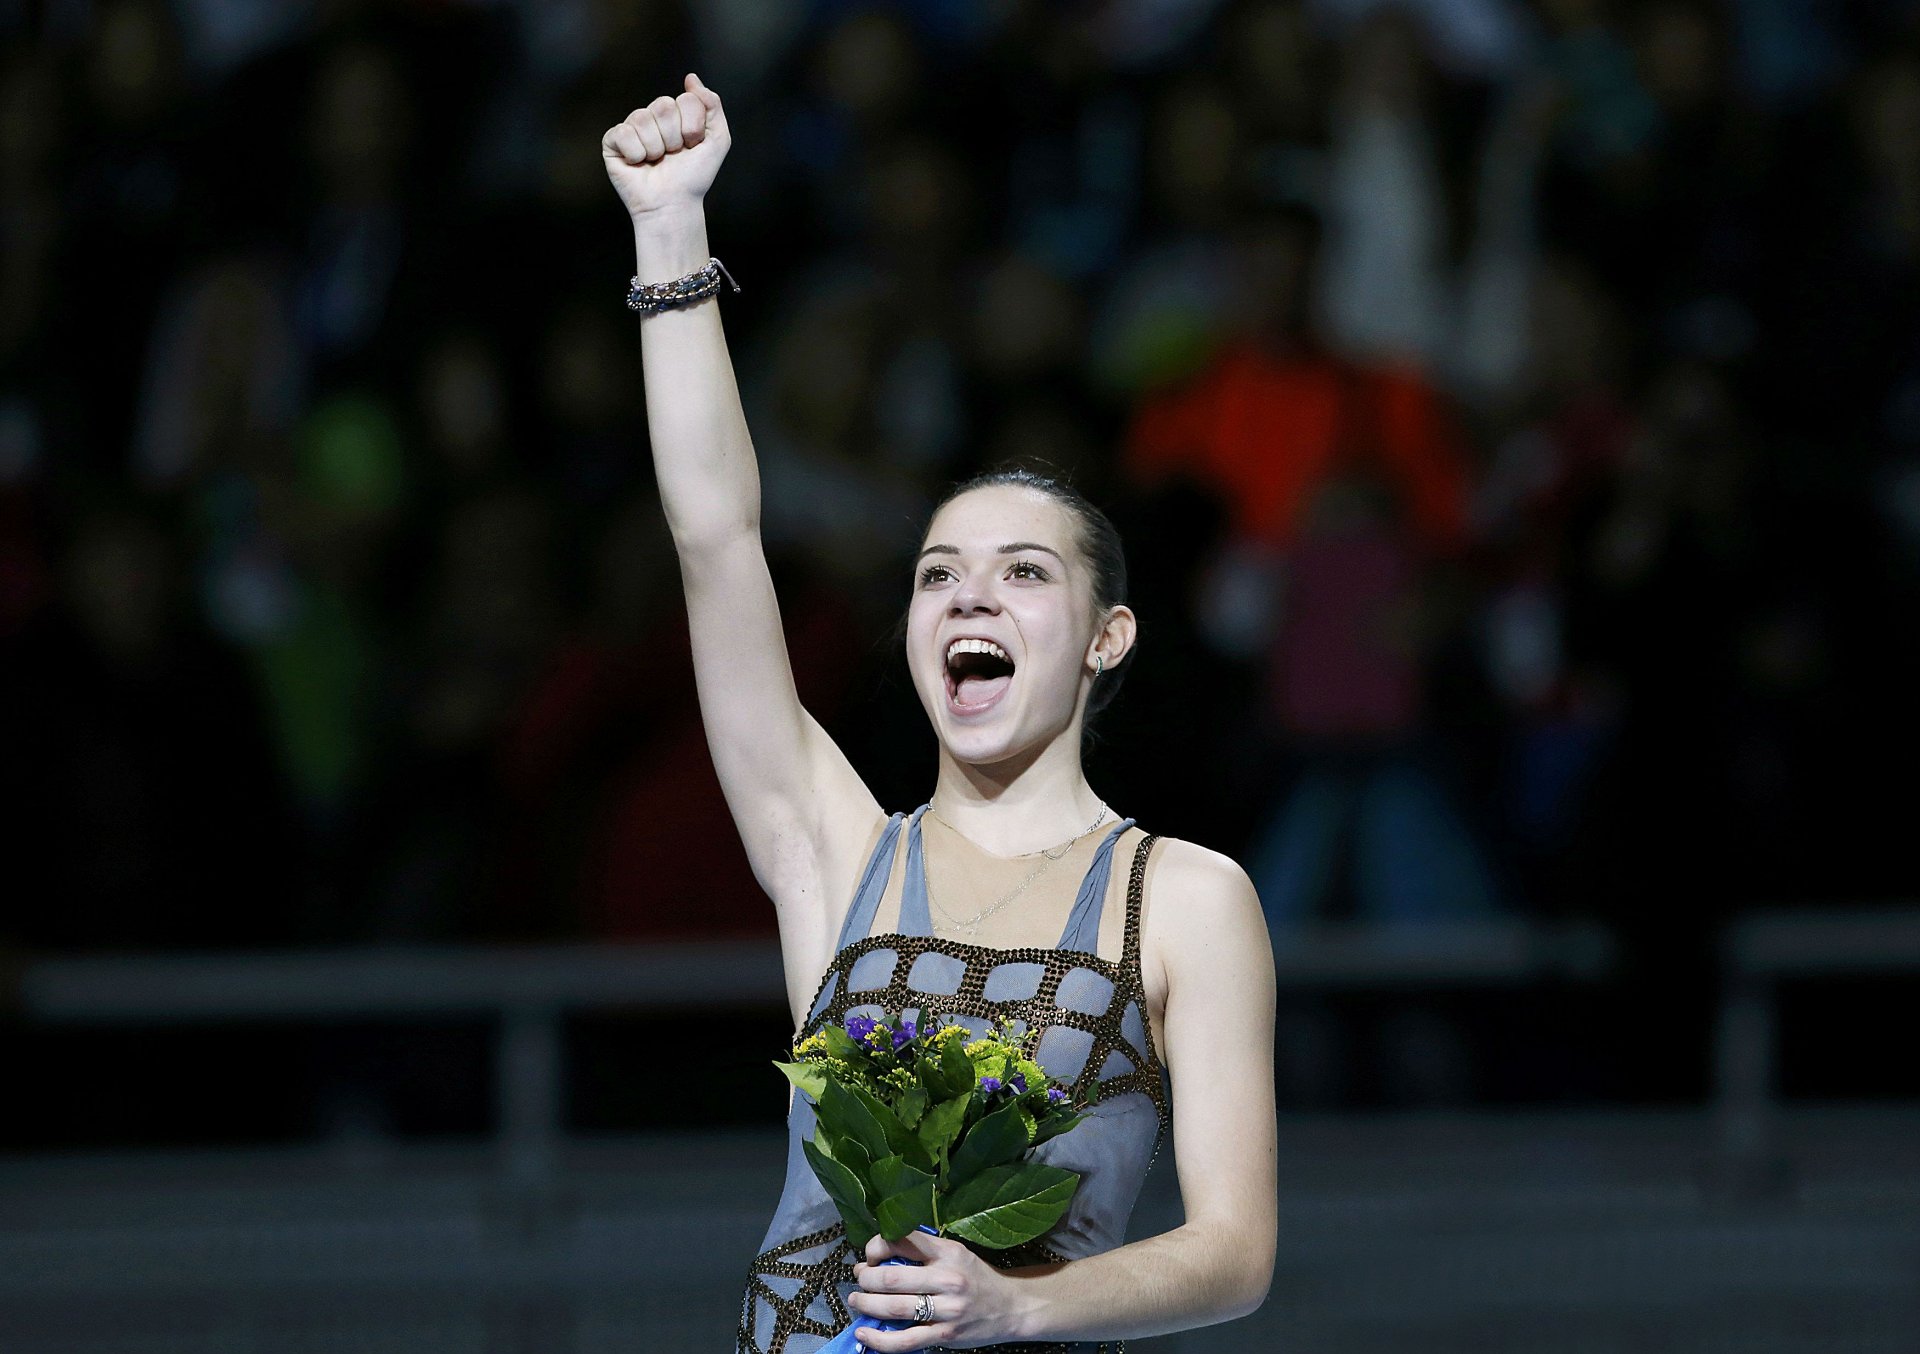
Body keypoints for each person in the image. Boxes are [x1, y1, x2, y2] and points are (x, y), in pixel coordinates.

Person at [602, 74, 1278, 1353]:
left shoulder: (1186, 898)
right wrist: (669, 223)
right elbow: (714, 537)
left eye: (1025, 570)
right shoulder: (838, 853)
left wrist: (1022, 1305)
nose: (970, 592)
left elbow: (1234, 1251)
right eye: (937, 573)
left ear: (1105, 638)